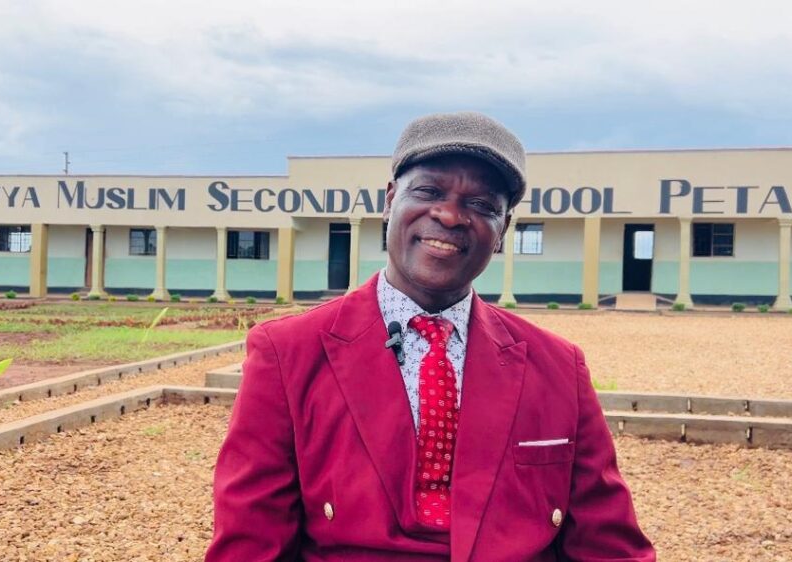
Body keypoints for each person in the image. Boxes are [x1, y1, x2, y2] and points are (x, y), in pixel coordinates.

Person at [206, 112, 656, 561]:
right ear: (389, 200)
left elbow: (610, 545)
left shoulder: (558, 366)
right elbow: (250, 544)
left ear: (503, 231)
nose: (449, 215)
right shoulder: (287, 354)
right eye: (429, 191)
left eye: (481, 205)